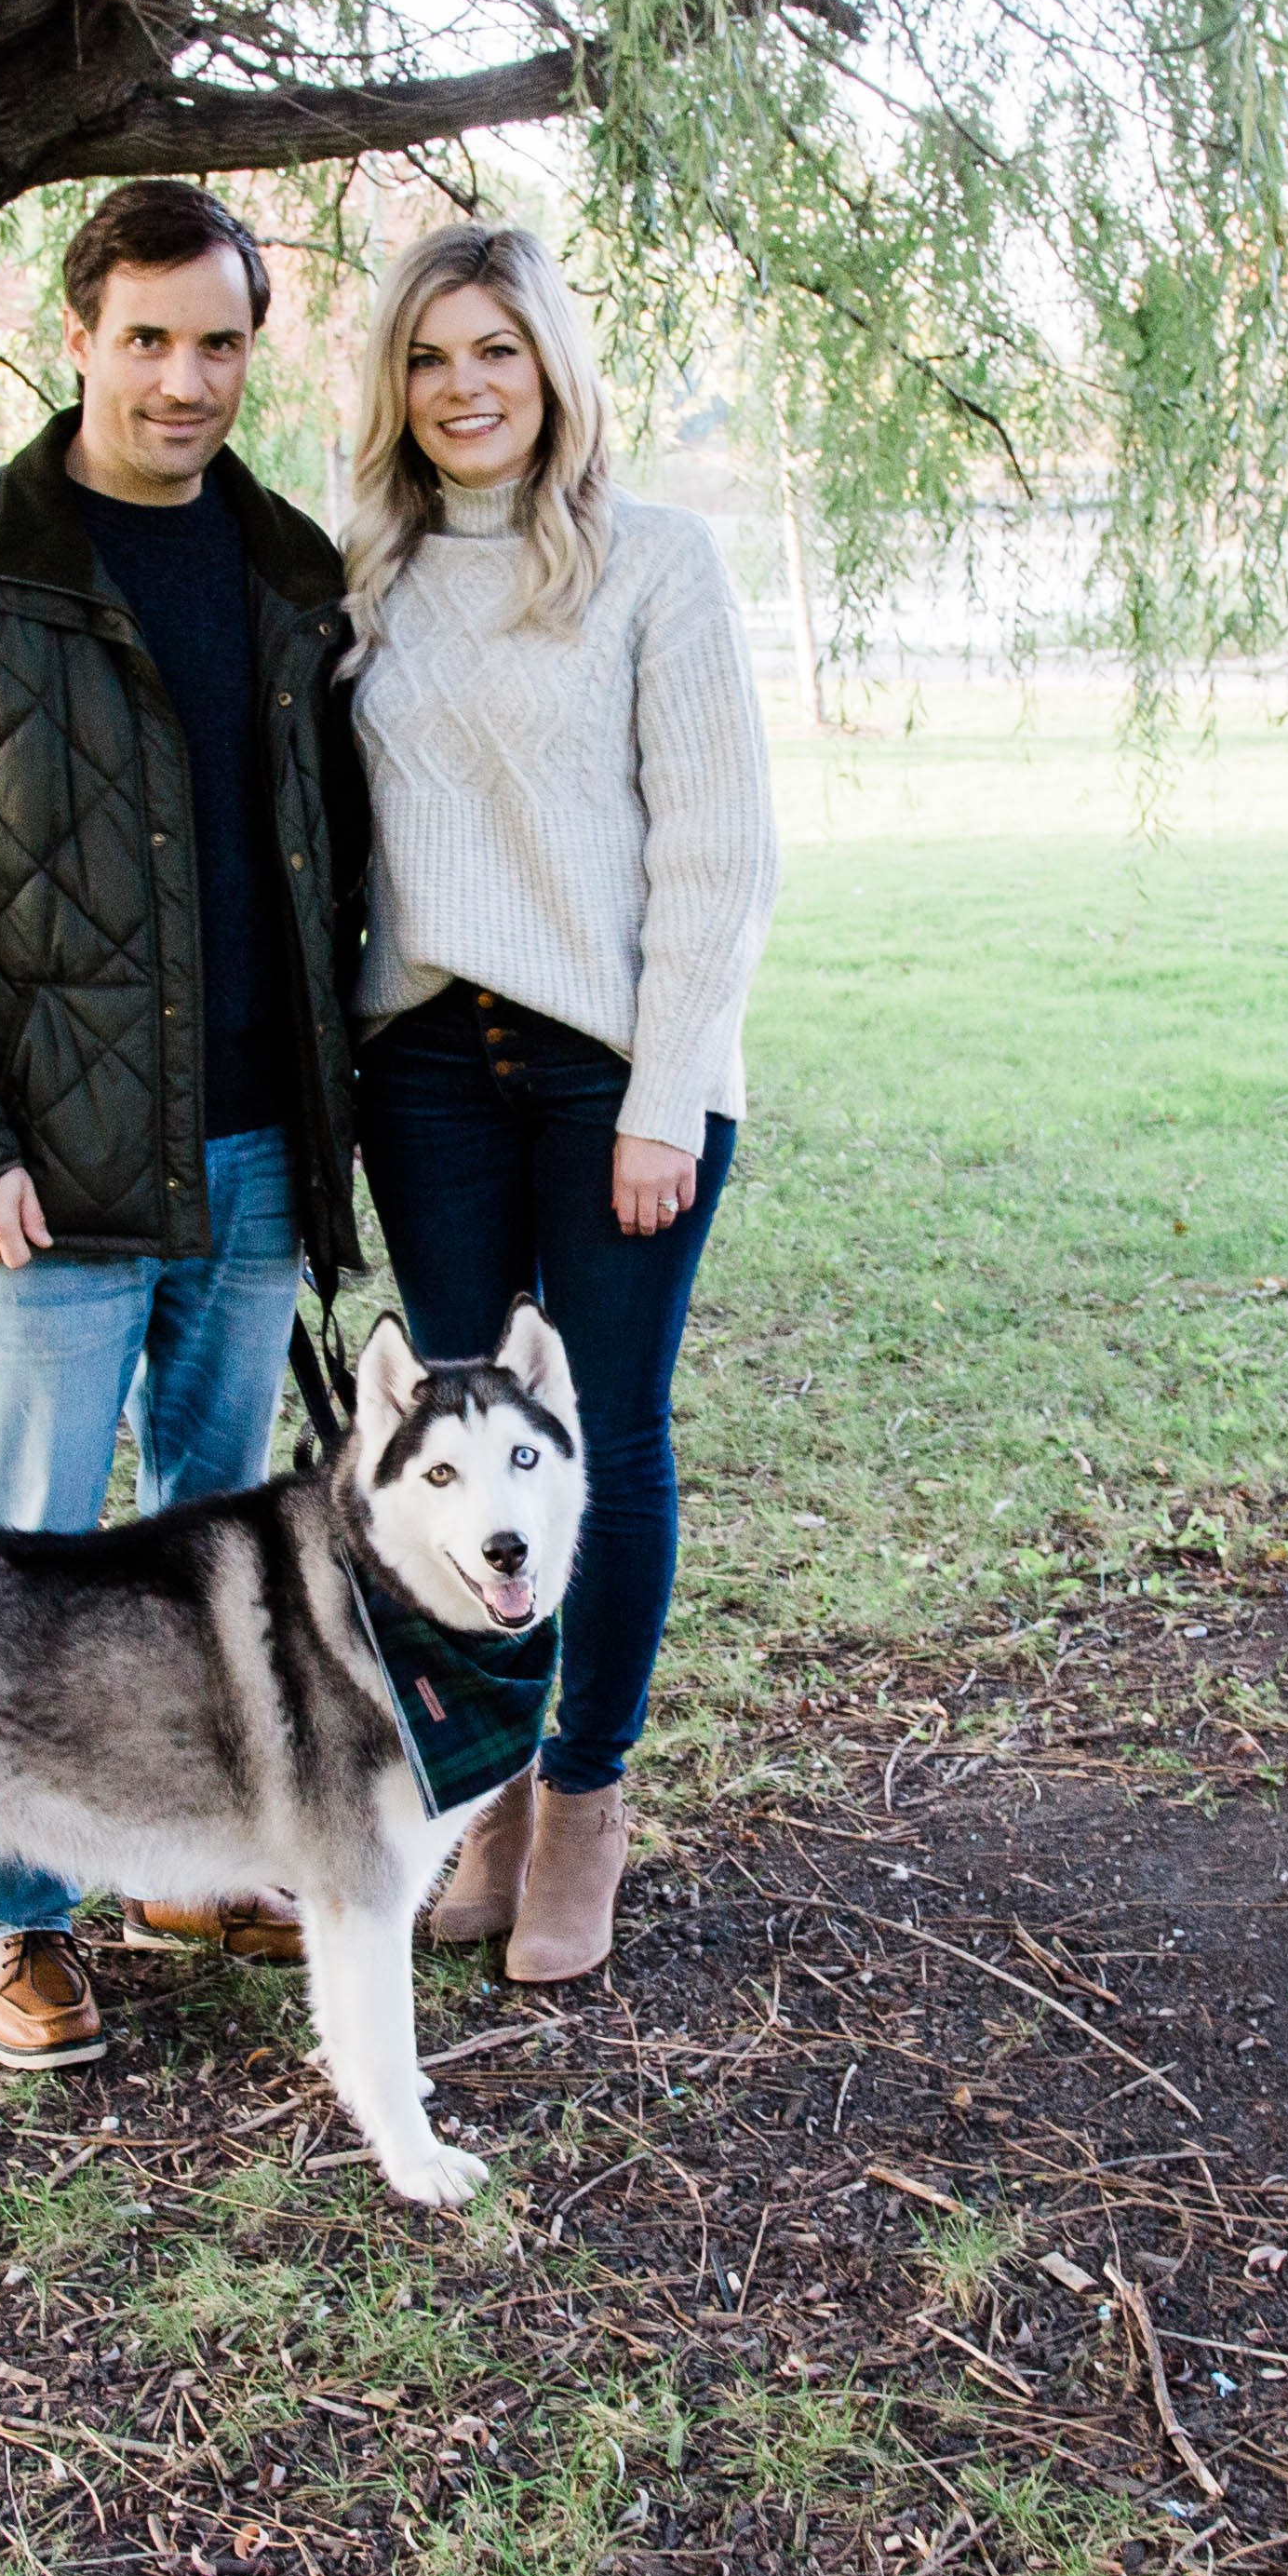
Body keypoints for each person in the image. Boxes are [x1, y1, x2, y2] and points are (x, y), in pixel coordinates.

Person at [0, 176, 371, 2072]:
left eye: (220, 342)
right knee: (22, 1562)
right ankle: (11, 1919)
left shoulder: (291, 572)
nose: (186, 378)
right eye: (149, 339)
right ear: (77, 338)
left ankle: (183, 1856)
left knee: (217, 1554)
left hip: (256, 1154)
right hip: (42, 1167)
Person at [336, 221, 778, 1983]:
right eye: (432, 359)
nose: (465, 390)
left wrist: (667, 1095)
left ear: (552, 370)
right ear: (397, 385)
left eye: (496, 353)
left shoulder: (654, 563)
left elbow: (720, 851)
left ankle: (586, 1797)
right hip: (427, 1072)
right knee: (464, 1463)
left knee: (604, 1440)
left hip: (615, 1074)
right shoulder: (361, 573)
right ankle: (496, 1783)